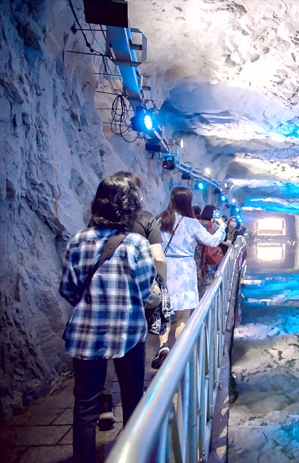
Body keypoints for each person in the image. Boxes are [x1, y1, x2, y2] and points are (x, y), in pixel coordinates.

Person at [59, 177, 155, 463]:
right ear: (130, 207)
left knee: (85, 405)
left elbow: (67, 288)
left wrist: (92, 305)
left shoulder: (77, 240)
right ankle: (133, 454)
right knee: (132, 397)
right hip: (128, 333)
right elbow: (145, 292)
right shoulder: (137, 243)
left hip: (86, 335)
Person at [89, 172, 169, 425]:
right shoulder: (144, 220)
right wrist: (158, 286)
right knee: (133, 351)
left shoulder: (92, 224)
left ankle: (104, 404)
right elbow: (158, 259)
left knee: (102, 352)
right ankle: (133, 426)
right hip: (133, 294)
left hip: (99, 299)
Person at [155, 188, 227, 358]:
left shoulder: (159, 220)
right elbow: (212, 241)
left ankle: (163, 346)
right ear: (187, 202)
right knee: (182, 317)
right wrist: (222, 228)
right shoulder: (190, 223)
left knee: (165, 312)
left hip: (165, 266)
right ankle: (179, 354)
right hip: (184, 268)